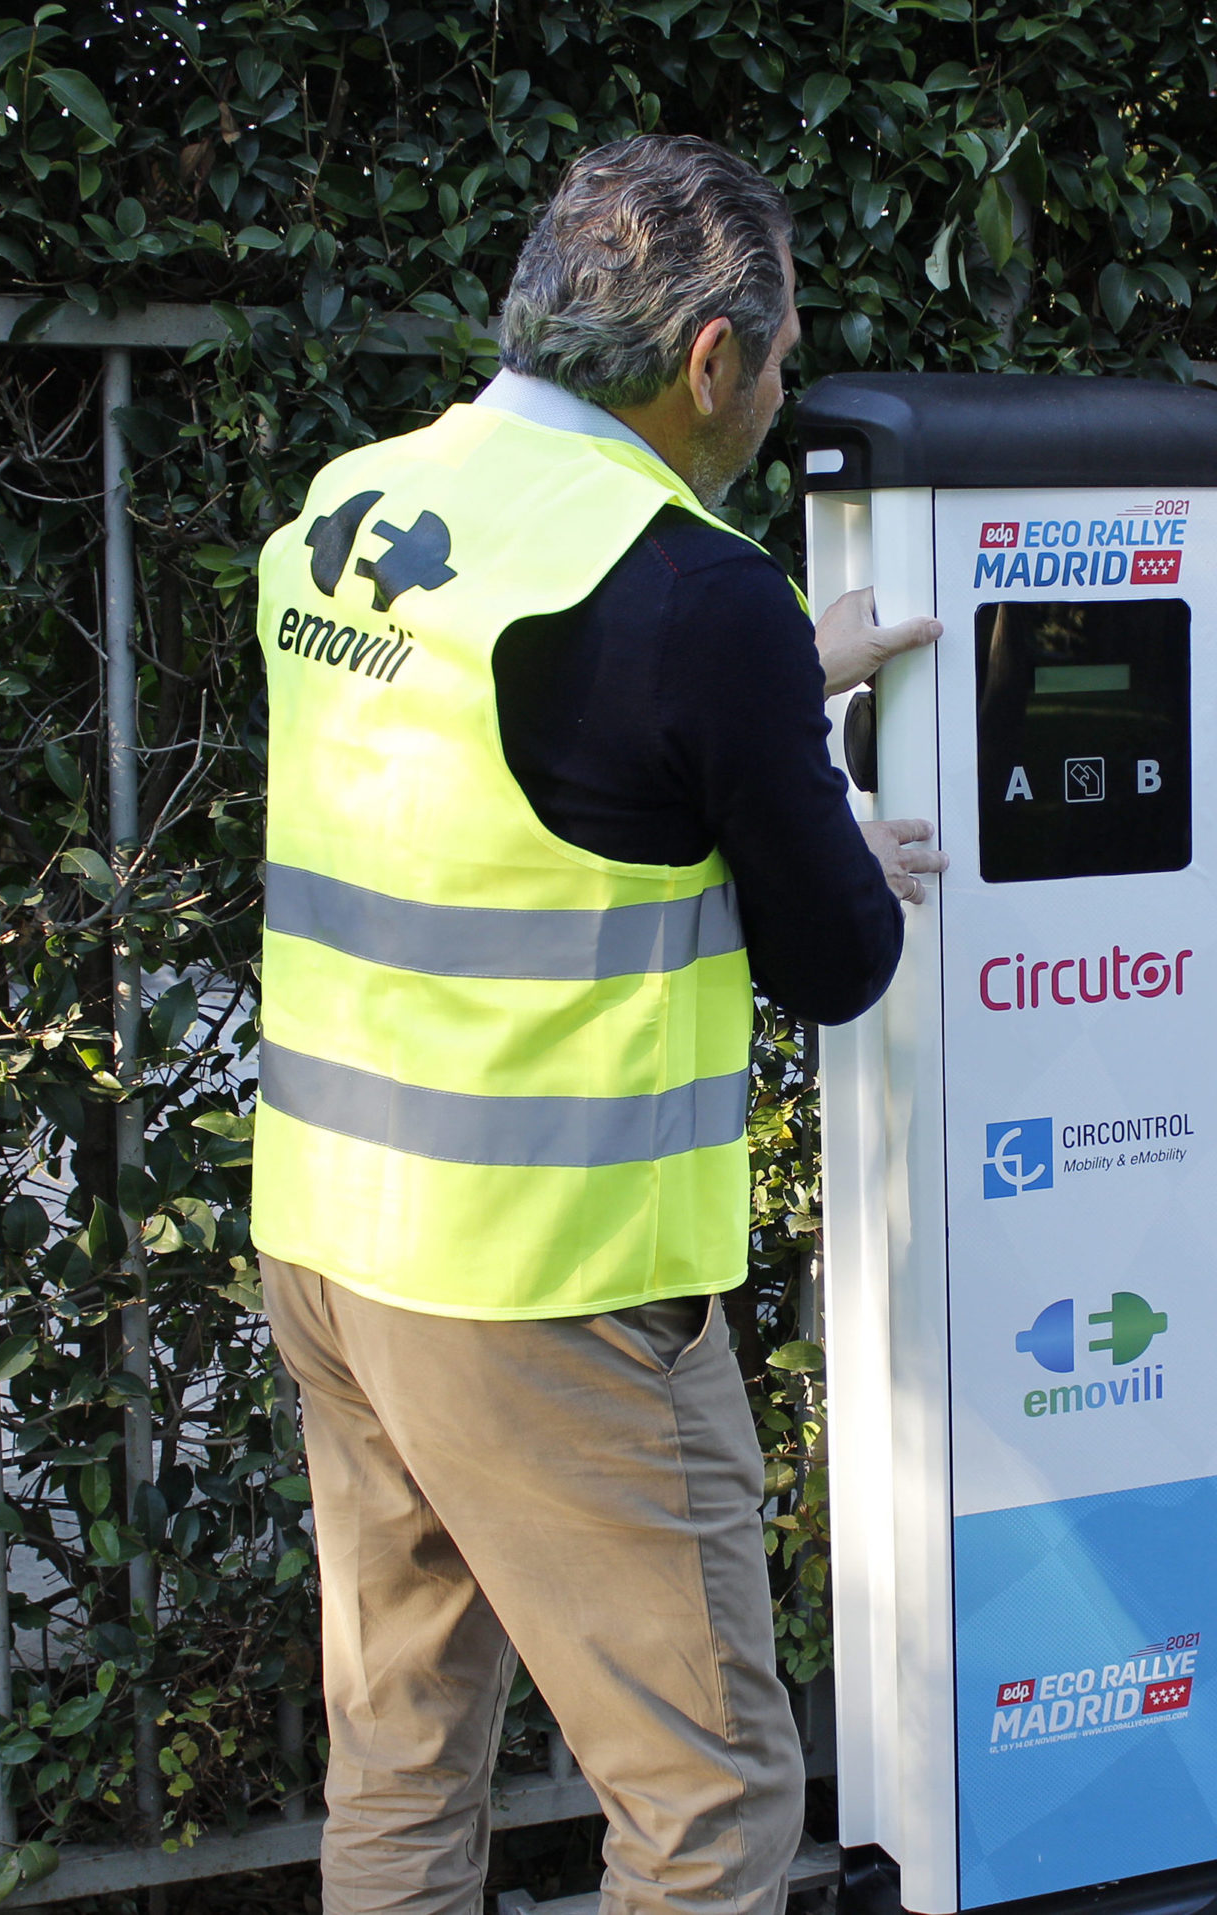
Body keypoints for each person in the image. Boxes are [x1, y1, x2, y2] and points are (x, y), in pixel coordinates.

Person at [251, 131, 945, 1915]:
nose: (784, 393)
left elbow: (531, 771)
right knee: (705, 1796)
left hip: (335, 1245)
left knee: (403, 1758)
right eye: (780, 356)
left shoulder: (349, 509)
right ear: (710, 359)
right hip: (548, 1284)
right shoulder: (691, 594)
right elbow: (837, 956)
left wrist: (784, 667)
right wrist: (831, 800)